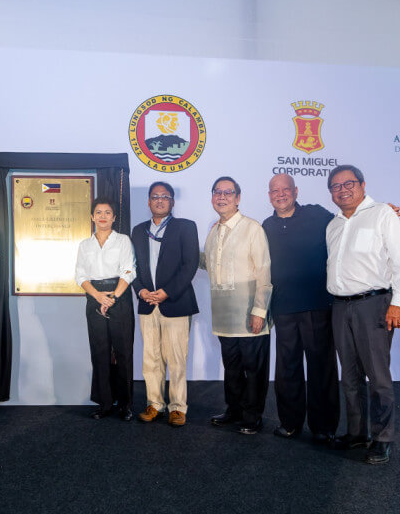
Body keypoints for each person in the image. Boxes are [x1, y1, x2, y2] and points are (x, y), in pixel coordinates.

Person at [325, 165, 400, 464]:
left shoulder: (383, 214)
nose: (342, 190)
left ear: (363, 185)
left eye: (348, 183)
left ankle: (382, 438)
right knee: (349, 376)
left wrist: (399, 301)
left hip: (374, 305)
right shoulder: (333, 225)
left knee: (378, 377)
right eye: (336, 186)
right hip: (340, 307)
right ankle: (356, 433)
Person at [262, 174, 339, 442]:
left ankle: (324, 427)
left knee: (321, 366)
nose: (280, 194)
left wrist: (380, 211)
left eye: (285, 189)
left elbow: (346, 224)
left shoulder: (317, 215)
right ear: (269, 195)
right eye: (274, 190)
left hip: (317, 304)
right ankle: (290, 423)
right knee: (287, 368)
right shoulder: (266, 225)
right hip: (283, 307)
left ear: (296, 191)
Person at [204, 176, 272, 435]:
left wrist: (259, 311)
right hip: (223, 315)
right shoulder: (214, 230)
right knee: (231, 367)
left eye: (228, 193)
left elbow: (264, 271)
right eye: (217, 192)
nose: (222, 197)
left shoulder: (252, 228)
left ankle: (253, 416)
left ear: (238, 198)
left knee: (254, 369)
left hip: (248, 312)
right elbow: (211, 265)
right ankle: (233, 409)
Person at [131, 182, 199, 427]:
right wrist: (141, 291)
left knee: (177, 358)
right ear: (148, 202)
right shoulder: (138, 231)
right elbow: (132, 267)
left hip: (176, 303)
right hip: (147, 303)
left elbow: (189, 265)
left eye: (165, 196)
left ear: (172, 202)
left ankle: (178, 407)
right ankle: (154, 404)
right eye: (155, 196)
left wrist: (166, 292)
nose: (159, 200)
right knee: (151, 358)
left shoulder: (186, 227)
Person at [74, 197, 136, 421]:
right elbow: (80, 275)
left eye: (107, 212)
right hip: (94, 298)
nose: (102, 216)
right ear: (92, 217)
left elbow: (129, 271)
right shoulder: (84, 245)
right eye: (98, 212)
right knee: (99, 352)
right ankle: (105, 403)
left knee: (123, 353)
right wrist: (98, 296)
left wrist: (112, 297)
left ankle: (126, 404)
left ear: (114, 217)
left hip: (119, 297)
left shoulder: (123, 241)